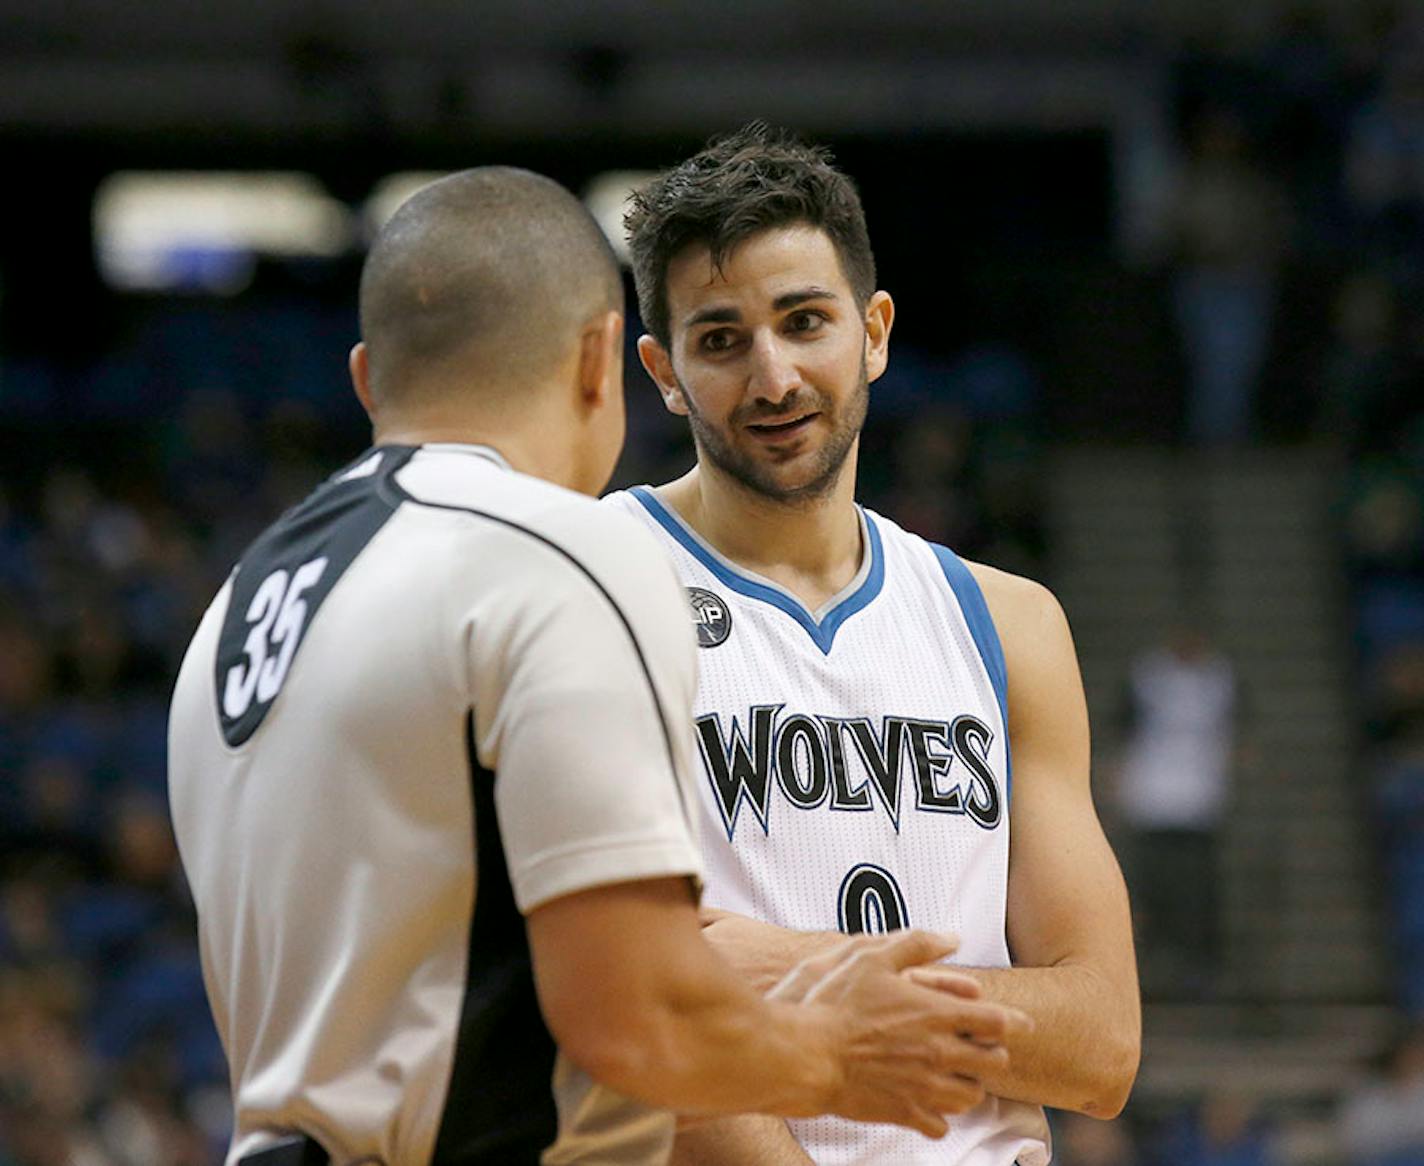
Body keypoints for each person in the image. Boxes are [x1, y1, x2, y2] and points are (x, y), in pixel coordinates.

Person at [166, 168, 1028, 1166]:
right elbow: (635, 1020)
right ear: (601, 359)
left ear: (368, 381)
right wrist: (839, 1043)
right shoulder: (558, 553)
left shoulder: (236, 608)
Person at [608, 123, 1141, 1164]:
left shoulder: (1006, 621)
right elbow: (630, 1011)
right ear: (662, 370)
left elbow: (1100, 1043)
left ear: (875, 330)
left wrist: (781, 966)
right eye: (719, 340)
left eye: (804, 321)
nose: (772, 379)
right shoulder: (591, 587)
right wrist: (981, 1018)